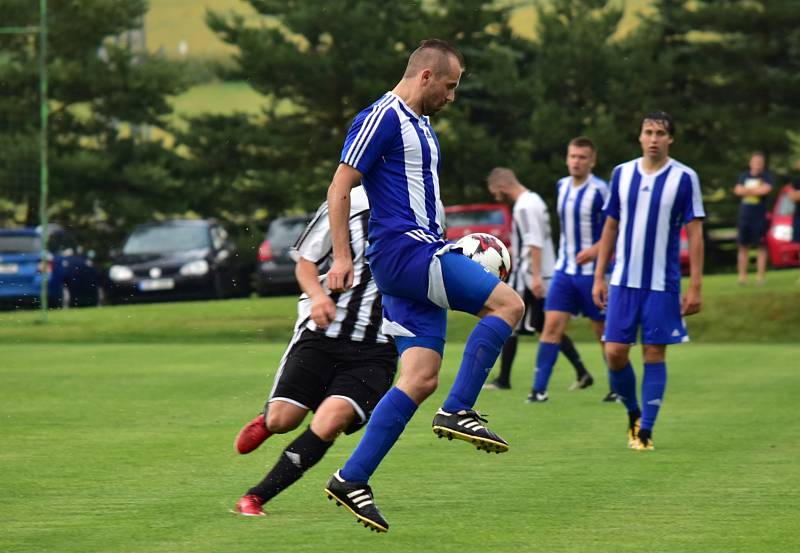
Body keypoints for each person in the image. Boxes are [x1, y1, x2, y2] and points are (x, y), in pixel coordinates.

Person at [323, 39, 524, 533]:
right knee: (508, 305)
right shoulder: (383, 116)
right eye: (450, 85)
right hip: (404, 253)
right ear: (427, 76)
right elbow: (339, 185)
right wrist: (343, 257)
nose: (453, 96)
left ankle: (352, 478)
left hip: (420, 252)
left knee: (418, 378)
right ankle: (460, 409)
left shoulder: (423, 126)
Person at [232, 186, 398, 517]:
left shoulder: (426, 209)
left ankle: (254, 497)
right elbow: (305, 263)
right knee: (284, 419)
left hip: (377, 348)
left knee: (331, 419)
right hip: (324, 333)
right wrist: (319, 297)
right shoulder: (351, 201)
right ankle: (269, 421)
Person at [592, 111, 704, 451]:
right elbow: (610, 225)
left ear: (670, 139)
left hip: (662, 284)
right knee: (614, 353)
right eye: (648, 132)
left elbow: (695, 233)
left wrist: (696, 285)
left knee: (654, 354)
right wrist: (599, 275)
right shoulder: (622, 174)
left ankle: (646, 431)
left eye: (660, 133)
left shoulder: (684, 178)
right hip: (623, 281)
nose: (654, 138)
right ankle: (633, 412)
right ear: (640, 137)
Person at [518, 137, 617, 402]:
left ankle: (617, 387)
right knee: (551, 327)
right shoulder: (562, 186)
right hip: (564, 272)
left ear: (592, 161)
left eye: (582, 157)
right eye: (573, 156)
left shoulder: (601, 190)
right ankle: (539, 390)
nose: (576, 161)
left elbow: (616, 228)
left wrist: (596, 250)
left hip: (594, 274)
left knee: (602, 331)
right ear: (567, 158)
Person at [484, 167, 596, 401]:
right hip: (535, 274)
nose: (496, 197)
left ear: (502, 187)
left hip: (535, 276)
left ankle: (505, 379)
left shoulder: (526, 206)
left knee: (520, 321)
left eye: (495, 192)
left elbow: (535, 242)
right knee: (545, 326)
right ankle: (582, 372)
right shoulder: (532, 200)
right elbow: (531, 240)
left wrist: (535, 276)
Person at [733, 152, 773, 285]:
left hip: (760, 216)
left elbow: (765, 190)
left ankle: (760, 277)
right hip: (745, 216)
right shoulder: (744, 176)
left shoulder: (766, 177)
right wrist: (755, 190)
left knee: (761, 246)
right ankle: (742, 277)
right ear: (750, 162)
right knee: (743, 246)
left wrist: (747, 191)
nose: (757, 164)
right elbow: (737, 190)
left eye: (760, 161)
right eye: (755, 161)